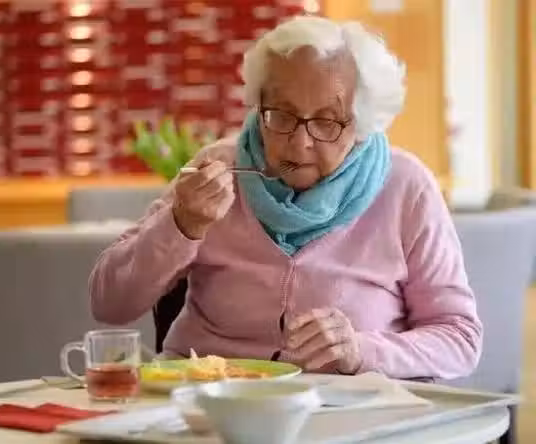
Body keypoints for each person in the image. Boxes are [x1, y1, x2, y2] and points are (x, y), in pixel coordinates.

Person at [89, 16, 482, 380]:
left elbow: (460, 338)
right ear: (258, 105)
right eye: (281, 115)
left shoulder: (405, 186)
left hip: (343, 410)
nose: (299, 142)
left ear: (363, 123)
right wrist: (180, 226)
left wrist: (362, 351)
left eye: (326, 121)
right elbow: (110, 304)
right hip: (208, 403)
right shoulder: (218, 167)